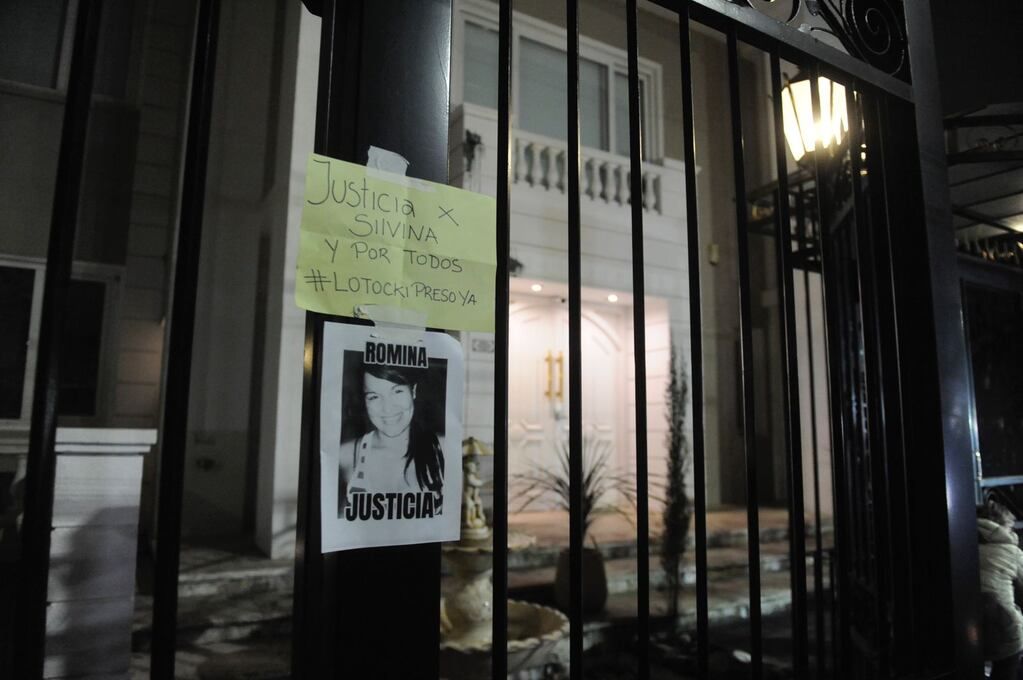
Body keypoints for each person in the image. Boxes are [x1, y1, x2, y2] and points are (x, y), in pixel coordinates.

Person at [338, 362, 444, 513]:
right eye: (374, 397)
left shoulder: (443, 447)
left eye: (397, 391)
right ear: (364, 401)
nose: (387, 408)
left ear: (413, 391)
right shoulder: (346, 455)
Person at [977, 497, 1023, 680]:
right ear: (1001, 526)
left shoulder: (959, 543)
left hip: (962, 628)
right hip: (1004, 629)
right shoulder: (1011, 551)